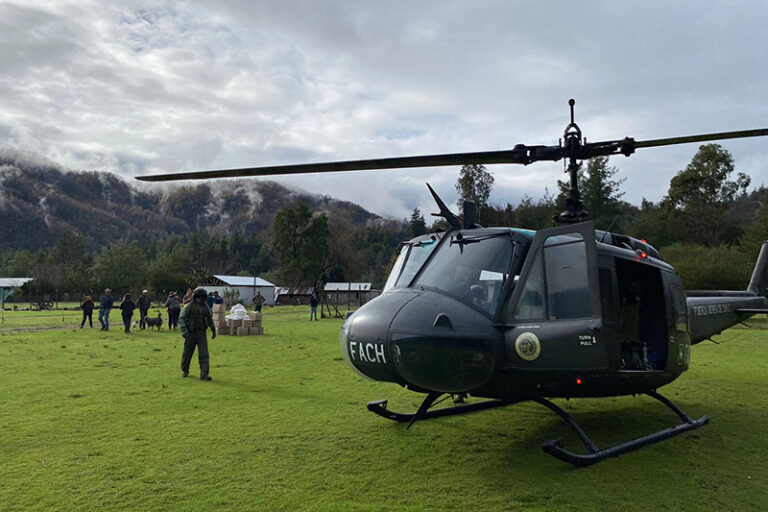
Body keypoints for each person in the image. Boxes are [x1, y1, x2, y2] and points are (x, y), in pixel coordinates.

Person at [179, 287, 216, 381]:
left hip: (201, 333)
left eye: (202, 298)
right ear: (195, 297)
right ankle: (185, 370)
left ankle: (204, 374)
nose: (200, 300)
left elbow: (209, 319)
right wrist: (184, 331)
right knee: (187, 354)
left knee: (204, 354)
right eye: (198, 297)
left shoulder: (205, 307)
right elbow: (182, 318)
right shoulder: (189, 306)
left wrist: (213, 330)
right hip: (190, 333)